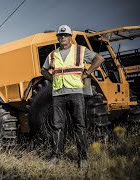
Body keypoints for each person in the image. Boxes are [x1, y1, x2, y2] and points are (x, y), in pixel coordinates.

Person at [40, 25, 104, 168]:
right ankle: (56, 157)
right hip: (58, 94)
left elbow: (99, 59)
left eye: (66, 35)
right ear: (58, 37)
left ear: (70, 37)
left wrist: (87, 73)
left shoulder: (80, 51)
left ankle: (83, 158)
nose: (63, 37)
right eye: (60, 35)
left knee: (79, 125)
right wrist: (52, 79)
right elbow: (43, 70)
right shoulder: (52, 55)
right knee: (57, 127)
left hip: (75, 93)